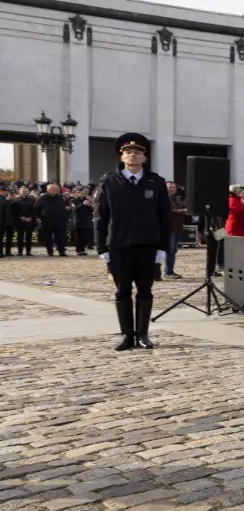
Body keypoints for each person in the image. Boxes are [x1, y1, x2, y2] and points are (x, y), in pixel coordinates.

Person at [95, 133, 171, 351]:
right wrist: (102, 248)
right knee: (122, 291)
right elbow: (101, 217)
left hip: (147, 246)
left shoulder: (155, 182)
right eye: (128, 152)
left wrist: (162, 248)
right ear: (122, 156)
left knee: (145, 290)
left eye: (138, 152)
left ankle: (143, 334)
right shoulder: (109, 181)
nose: (133, 155)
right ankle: (126, 334)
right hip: (119, 246)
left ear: (144, 157)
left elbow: (164, 217)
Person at [34, 184, 69, 257]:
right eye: (56, 189)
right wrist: (41, 219)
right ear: (49, 190)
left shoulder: (60, 198)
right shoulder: (42, 198)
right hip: (47, 221)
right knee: (48, 238)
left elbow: (64, 208)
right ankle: (50, 252)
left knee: (60, 237)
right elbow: (36, 209)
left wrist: (64, 217)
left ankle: (61, 252)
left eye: (58, 189)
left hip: (59, 221)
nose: (58, 191)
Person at [163, 181, 186, 278]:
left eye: (173, 187)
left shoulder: (178, 198)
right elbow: (168, 210)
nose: (172, 189)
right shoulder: (164, 199)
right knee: (170, 250)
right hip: (170, 228)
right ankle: (168, 272)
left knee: (174, 250)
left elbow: (185, 206)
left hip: (178, 227)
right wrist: (181, 211)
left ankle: (171, 270)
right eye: (170, 187)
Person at [13, 186, 36, 256]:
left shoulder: (32, 200)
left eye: (25, 191)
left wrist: (30, 217)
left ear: (28, 192)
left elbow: (34, 209)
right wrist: (21, 217)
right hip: (20, 221)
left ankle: (28, 252)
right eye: (22, 191)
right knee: (20, 237)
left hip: (29, 221)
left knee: (29, 237)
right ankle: (20, 252)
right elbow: (15, 210)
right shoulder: (16, 200)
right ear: (20, 192)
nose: (24, 192)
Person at [0, 191, 14, 257]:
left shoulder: (12, 200)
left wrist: (11, 200)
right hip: (2, 221)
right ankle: (0, 252)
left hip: (10, 222)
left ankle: (8, 252)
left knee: (9, 238)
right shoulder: (2, 199)